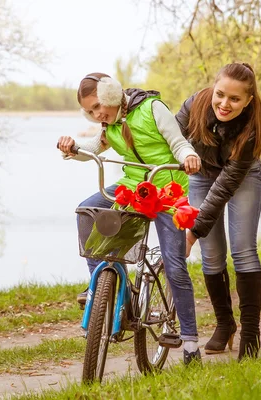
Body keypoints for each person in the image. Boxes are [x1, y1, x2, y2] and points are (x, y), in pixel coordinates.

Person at [57, 73, 203, 364]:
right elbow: (93, 151)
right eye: (91, 110)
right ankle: (101, 288)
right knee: (88, 210)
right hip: (133, 187)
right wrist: (73, 149)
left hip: (166, 188)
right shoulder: (108, 125)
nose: (98, 113)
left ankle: (189, 343)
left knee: (174, 265)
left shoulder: (152, 108)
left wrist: (188, 156)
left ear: (111, 94)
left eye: (99, 105)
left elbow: (178, 142)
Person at [175, 62, 261, 361]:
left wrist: (194, 229)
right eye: (220, 94)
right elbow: (169, 139)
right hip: (201, 173)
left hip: (240, 178)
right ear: (212, 88)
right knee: (212, 254)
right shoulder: (195, 104)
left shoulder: (250, 131)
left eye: (234, 99)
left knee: (243, 251)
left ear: (248, 100)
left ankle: (250, 336)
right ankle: (225, 324)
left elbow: (225, 187)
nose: (224, 104)